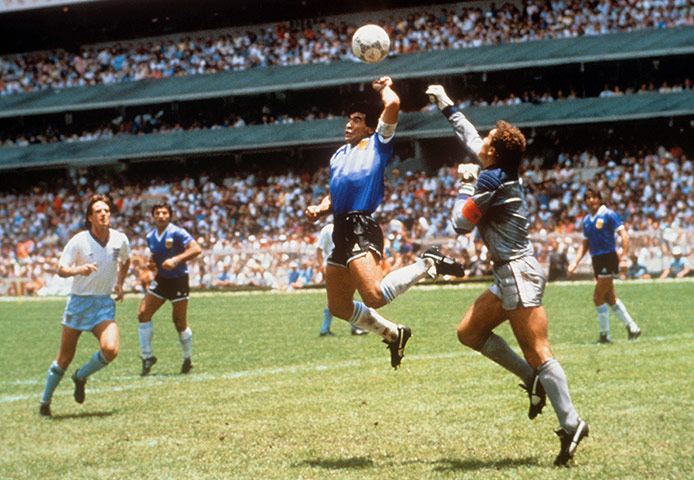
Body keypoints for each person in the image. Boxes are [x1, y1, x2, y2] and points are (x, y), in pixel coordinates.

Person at [426, 84, 587, 466]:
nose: (482, 140)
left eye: (489, 139)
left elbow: (458, 225)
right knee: (469, 332)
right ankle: (532, 381)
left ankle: (572, 422)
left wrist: (464, 183)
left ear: (493, 153)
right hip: (509, 272)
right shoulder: (498, 171)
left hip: (517, 272)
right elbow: (471, 138)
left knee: (538, 350)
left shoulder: (490, 180)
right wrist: (447, 106)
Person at [305, 76, 464, 369]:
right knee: (338, 307)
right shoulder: (339, 155)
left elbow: (392, 104)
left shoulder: (378, 142)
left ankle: (427, 264)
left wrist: (383, 88)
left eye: (356, 120)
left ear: (369, 126)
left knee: (374, 296)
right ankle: (393, 334)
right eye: (348, 120)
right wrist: (321, 207)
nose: (348, 124)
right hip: (341, 227)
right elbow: (337, 191)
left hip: (360, 225)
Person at [39, 194, 130, 418]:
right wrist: (78, 270)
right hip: (79, 303)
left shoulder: (120, 239)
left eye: (106, 210)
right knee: (64, 358)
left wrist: (120, 282)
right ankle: (45, 402)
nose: (103, 214)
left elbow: (126, 260)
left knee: (111, 349)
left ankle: (80, 376)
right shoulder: (79, 240)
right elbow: (61, 270)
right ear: (90, 217)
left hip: (103, 303)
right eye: (98, 211)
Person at [567, 188, 641, 343]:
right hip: (596, 259)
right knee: (610, 297)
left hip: (608, 258)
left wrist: (624, 257)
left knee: (597, 297)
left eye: (594, 197)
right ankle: (633, 327)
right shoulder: (587, 220)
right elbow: (585, 244)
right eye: (588, 198)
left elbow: (624, 235)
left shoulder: (609, 214)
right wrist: (575, 261)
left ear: (599, 199)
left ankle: (605, 335)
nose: (591, 201)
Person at [137, 203, 201, 376]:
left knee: (179, 322)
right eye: (157, 213)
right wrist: (152, 263)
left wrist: (176, 260)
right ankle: (147, 357)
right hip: (162, 280)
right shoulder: (150, 236)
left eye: (165, 213)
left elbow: (196, 249)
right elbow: (154, 257)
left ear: (169, 216)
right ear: (153, 216)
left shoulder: (178, 232)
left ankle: (187, 359)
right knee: (143, 314)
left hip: (178, 281)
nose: (161, 215)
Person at [315, 223, 367, 337]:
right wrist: (322, 268)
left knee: (345, 297)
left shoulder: (349, 227)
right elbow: (319, 249)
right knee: (337, 298)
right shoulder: (328, 229)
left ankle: (326, 329)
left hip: (346, 267)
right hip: (333, 266)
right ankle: (352, 328)